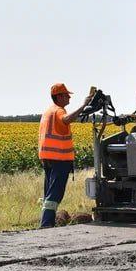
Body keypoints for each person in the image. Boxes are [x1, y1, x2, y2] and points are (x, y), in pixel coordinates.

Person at [38, 83, 93, 228]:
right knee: (55, 194)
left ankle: (45, 222)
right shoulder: (58, 111)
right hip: (59, 158)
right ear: (59, 97)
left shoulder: (48, 112)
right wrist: (83, 105)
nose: (69, 97)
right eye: (66, 95)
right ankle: (46, 224)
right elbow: (67, 119)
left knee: (49, 192)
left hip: (48, 157)